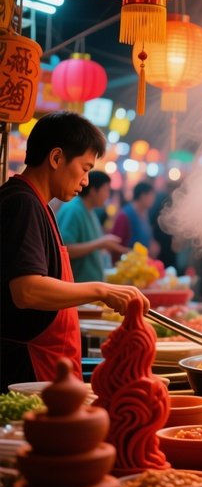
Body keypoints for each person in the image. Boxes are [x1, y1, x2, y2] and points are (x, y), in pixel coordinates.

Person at [0, 111, 148, 390]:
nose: (86, 181)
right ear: (56, 158)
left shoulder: (38, 204)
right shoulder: (22, 203)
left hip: (47, 367)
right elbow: (26, 290)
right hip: (25, 370)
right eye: (85, 168)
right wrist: (102, 290)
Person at [57, 170, 128, 283]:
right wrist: (101, 243)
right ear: (93, 190)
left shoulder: (89, 210)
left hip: (88, 284)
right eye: (106, 190)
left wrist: (115, 247)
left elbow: (92, 244)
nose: (108, 195)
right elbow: (65, 249)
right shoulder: (73, 210)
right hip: (76, 286)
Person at [111, 180, 158, 259]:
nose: (153, 200)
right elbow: (114, 245)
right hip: (127, 263)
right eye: (151, 196)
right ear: (143, 196)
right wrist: (131, 252)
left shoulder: (145, 213)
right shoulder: (125, 216)